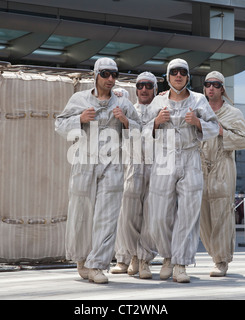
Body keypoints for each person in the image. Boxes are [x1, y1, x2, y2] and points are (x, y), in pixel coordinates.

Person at [55, 57, 140, 284]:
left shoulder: (123, 103)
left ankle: (98, 265)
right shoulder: (79, 99)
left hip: (112, 164)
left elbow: (141, 132)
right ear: (95, 75)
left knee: (108, 215)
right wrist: (79, 119)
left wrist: (126, 122)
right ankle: (81, 259)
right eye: (105, 74)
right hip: (84, 161)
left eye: (114, 74)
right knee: (81, 213)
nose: (110, 79)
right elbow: (60, 124)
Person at [143, 58, 219, 283]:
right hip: (164, 156)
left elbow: (214, 127)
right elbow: (141, 131)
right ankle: (167, 257)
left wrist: (197, 122)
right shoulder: (157, 101)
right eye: (174, 72)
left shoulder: (199, 100)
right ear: (168, 76)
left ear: (188, 76)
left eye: (183, 72)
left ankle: (181, 264)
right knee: (158, 214)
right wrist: (156, 122)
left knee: (189, 212)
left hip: (190, 156)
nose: (178, 75)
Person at [199, 71, 245, 277]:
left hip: (223, 166)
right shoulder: (198, 111)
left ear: (222, 88)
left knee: (222, 214)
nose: (211, 87)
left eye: (215, 84)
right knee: (203, 216)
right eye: (207, 84)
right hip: (200, 167)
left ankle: (221, 261)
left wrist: (223, 132)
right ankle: (215, 254)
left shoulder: (233, 113)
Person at [111, 72, 158, 279]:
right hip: (131, 166)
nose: (144, 89)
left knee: (150, 216)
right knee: (127, 214)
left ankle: (145, 259)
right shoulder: (129, 108)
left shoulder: (162, 108)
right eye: (140, 86)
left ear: (155, 89)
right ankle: (127, 257)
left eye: (148, 85)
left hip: (156, 168)